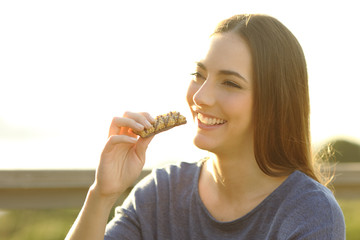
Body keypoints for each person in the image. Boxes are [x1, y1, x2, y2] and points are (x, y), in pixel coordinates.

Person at [66, 14, 345, 240]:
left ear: (274, 102)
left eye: (230, 83)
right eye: (199, 75)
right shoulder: (160, 193)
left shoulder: (310, 211)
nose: (199, 97)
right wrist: (101, 195)